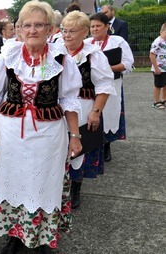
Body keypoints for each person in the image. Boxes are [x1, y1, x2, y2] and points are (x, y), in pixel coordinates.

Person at [0, 1, 82, 253]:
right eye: (27, 25)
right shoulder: (8, 57)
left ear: (50, 29)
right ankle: (15, 236)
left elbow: (69, 100)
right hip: (12, 136)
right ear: (19, 29)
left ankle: (43, 238)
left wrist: (75, 136)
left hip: (48, 136)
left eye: (39, 25)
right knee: (13, 182)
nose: (32, 30)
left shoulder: (61, 60)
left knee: (43, 184)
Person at [62, 11, 116, 209]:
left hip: (83, 109)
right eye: (64, 31)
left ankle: (76, 188)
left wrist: (96, 111)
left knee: (79, 151)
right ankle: (60, 188)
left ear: (85, 32)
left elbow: (104, 85)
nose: (66, 35)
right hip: (59, 110)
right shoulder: (56, 51)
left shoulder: (93, 55)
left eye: (72, 31)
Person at [85, 13, 134, 163]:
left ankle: (107, 146)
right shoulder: (86, 43)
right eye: (92, 26)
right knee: (91, 114)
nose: (95, 29)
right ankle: (92, 147)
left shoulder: (117, 41)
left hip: (112, 84)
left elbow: (128, 63)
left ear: (107, 27)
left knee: (108, 114)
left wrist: (107, 68)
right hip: (90, 86)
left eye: (98, 26)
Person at [149, 22, 166, 109]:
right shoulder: (157, 42)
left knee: (165, 85)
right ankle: (156, 102)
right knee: (158, 85)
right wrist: (156, 68)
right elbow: (152, 55)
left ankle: (163, 99)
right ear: (161, 32)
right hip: (159, 68)